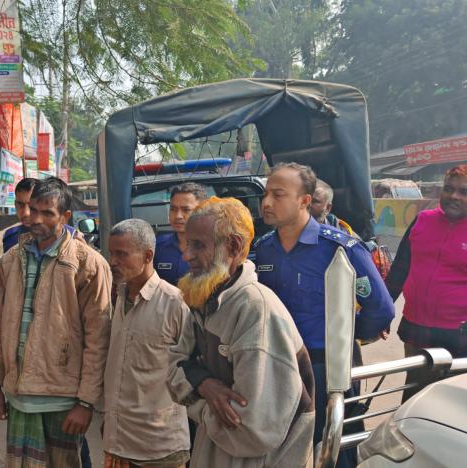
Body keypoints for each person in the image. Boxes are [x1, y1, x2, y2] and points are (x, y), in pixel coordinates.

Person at [254, 162, 394, 467]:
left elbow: (380, 309)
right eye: (265, 194)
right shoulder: (264, 249)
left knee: (331, 451)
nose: (266, 203)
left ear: (305, 201)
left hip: (325, 370)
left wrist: (344, 336)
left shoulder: (340, 248)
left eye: (278, 195)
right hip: (277, 367)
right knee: (283, 448)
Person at [168, 197, 315, 468]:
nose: (186, 255)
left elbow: (250, 430)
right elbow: (173, 367)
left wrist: (195, 403)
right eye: (189, 244)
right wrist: (204, 385)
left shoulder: (255, 310)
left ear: (233, 246)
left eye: (198, 245)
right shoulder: (205, 299)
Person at [0, 177, 112, 467]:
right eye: (33, 210)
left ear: (65, 216)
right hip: (18, 396)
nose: (35, 219)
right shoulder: (11, 259)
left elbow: (98, 338)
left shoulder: (88, 263)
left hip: (64, 399)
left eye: (47, 213)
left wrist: (85, 403)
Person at [103, 218, 192, 468]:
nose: (113, 262)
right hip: (118, 440)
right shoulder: (118, 297)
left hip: (160, 447)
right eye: (112, 253)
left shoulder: (174, 303)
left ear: (147, 255)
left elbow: (192, 368)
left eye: (122, 254)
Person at [385, 164, 467, 402]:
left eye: (463, 191)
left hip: (459, 336)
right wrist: (382, 313)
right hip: (417, 329)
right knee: (413, 399)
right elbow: (399, 270)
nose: (454, 196)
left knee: (453, 404)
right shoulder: (422, 221)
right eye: (449, 189)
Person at [2, 177, 77, 253]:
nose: (26, 213)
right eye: (20, 205)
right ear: (15, 204)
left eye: (31, 207)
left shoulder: (73, 237)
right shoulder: (10, 238)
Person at [154, 183, 209, 285]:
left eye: (186, 210)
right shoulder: (156, 246)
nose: (178, 216)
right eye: (173, 209)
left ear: (202, 211)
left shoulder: (214, 248)